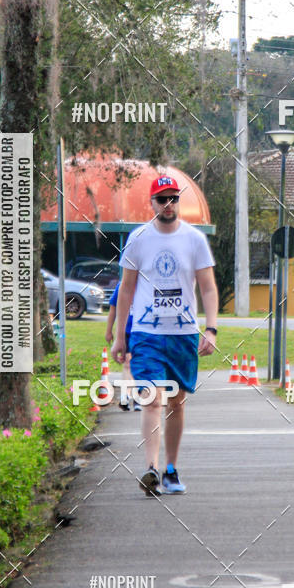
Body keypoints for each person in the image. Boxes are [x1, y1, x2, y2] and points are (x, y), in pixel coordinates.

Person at [111, 175, 218, 496]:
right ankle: (151, 468)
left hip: (183, 334)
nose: (168, 204)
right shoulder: (139, 238)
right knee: (152, 399)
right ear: (152, 203)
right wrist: (120, 337)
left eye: (173, 198)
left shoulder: (195, 240)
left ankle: (171, 469)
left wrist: (210, 328)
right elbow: (125, 290)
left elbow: (209, 287)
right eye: (162, 199)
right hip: (147, 334)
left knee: (176, 402)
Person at [105, 285, 139, 411]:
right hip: (126, 331)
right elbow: (113, 309)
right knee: (127, 364)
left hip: (143, 332)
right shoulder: (122, 285)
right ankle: (125, 396)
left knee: (139, 365)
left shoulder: (148, 283)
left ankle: (137, 397)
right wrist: (109, 331)